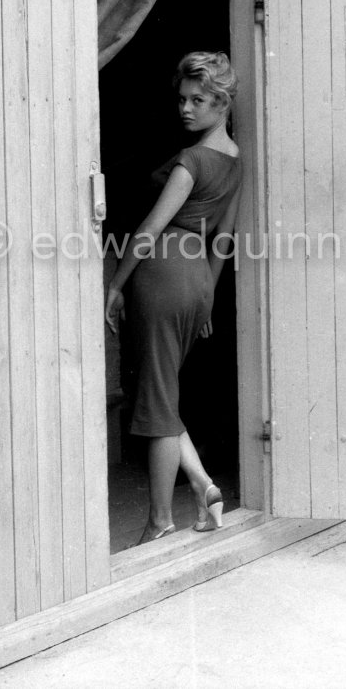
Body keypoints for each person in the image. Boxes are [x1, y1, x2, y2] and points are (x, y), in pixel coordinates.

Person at [105, 51, 242, 544]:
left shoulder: (192, 160)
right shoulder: (235, 161)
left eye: (198, 100)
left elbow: (148, 231)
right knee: (159, 395)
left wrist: (116, 285)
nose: (185, 108)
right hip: (197, 280)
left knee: (158, 401)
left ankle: (159, 521)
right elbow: (222, 241)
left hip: (161, 273)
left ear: (221, 103)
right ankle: (204, 486)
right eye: (182, 99)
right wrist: (207, 295)